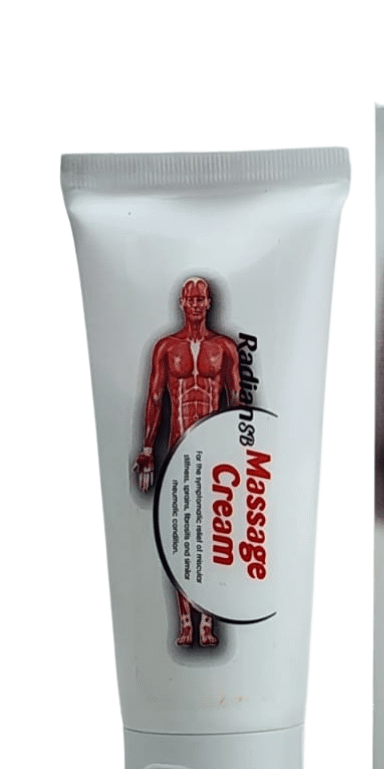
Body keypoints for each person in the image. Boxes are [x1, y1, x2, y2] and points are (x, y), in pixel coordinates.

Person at [134, 277, 241, 646]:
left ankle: (207, 621)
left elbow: (237, 400)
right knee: (180, 539)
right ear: (181, 302)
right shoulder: (166, 348)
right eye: (190, 298)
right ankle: (185, 622)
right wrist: (147, 450)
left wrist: (242, 453)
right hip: (178, 448)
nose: (195, 304)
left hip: (214, 452)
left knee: (214, 539)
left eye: (200, 298)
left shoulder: (224, 348)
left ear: (209, 302)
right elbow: (154, 399)